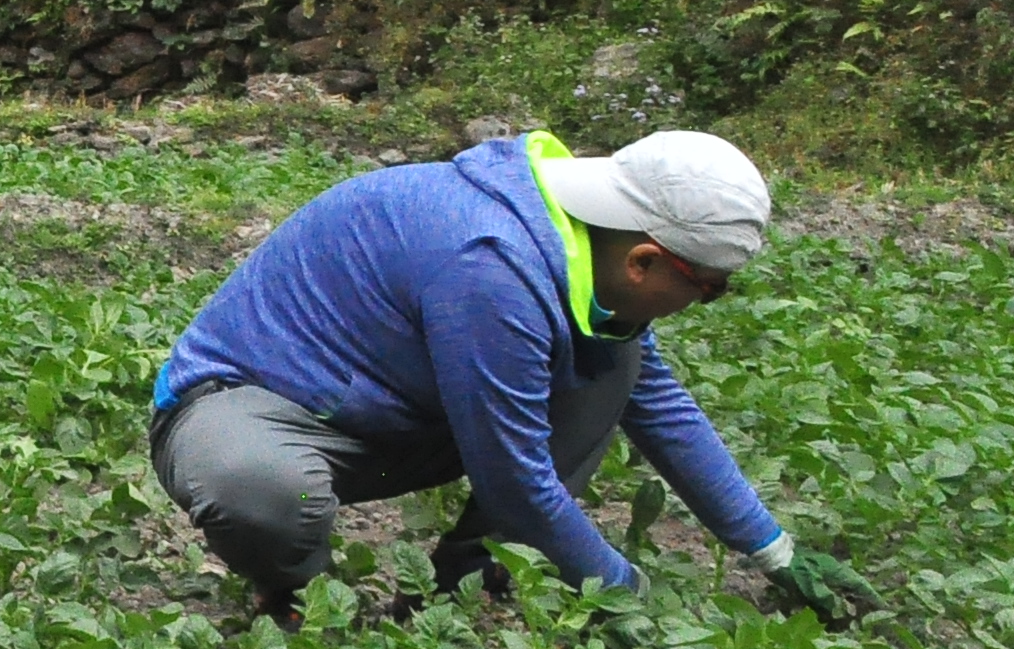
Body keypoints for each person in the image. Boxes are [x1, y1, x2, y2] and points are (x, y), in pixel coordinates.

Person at [149, 126, 870, 623]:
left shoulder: (577, 249)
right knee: (264, 492)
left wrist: (775, 552)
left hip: (394, 424)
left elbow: (656, 405)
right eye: (707, 289)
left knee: (614, 366)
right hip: (254, 413)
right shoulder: (489, 265)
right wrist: (623, 593)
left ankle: (464, 586)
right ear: (644, 261)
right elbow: (515, 480)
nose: (704, 303)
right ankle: (301, 601)